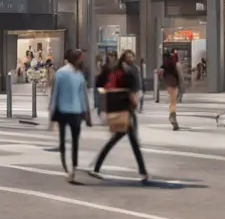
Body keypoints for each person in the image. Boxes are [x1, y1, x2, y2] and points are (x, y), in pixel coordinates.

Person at [90, 50, 149, 183]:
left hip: (116, 108)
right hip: (124, 110)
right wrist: (135, 104)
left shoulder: (112, 68)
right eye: (130, 57)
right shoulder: (128, 71)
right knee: (131, 141)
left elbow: (99, 83)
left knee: (118, 139)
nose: (131, 59)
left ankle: (96, 167)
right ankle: (143, 171)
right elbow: (133, 91)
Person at [50, 49, 91, 184]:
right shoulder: (78, 75)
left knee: (63, 140)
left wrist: (52, 113)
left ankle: (67, 167)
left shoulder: (61, 73)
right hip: (76, 111)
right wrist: (86, 112)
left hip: (63, 110)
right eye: (81, 58)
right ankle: (72, 168)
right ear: (77, 59)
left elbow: (55, 94)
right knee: (75, 141)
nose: (82, 60)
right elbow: (83, 95)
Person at [159, 52, 181, 131]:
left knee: (172, 102)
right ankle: (172, 117)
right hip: (174, 84)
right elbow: (179, 76)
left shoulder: (164, 65)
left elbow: (160, 74)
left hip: (169, 85)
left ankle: (172, 117)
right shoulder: (174, 65)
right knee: (173, 102)